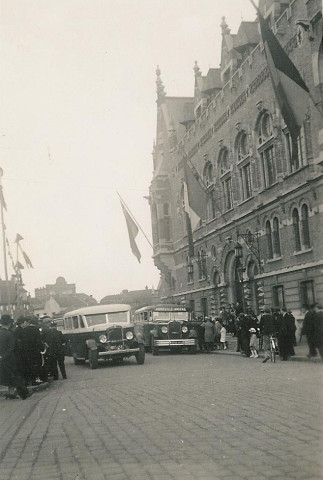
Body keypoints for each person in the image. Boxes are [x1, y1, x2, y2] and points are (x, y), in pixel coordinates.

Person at [0, 314, 31, 399]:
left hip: (2, 359)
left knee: (8, 377)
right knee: (15, 376)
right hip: (9, 359)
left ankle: (11, 393)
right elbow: (11, 348)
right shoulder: (9, 334)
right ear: (9, 323)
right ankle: (24, 393)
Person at [23, 317, 43, 385]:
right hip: (35, 350)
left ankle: (31, 380)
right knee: (37, 365)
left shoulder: (25, 329)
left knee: (30, 365)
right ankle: (36, 379)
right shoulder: (36, 329)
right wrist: (41, 349)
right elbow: (38, 341)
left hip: (27, 351)